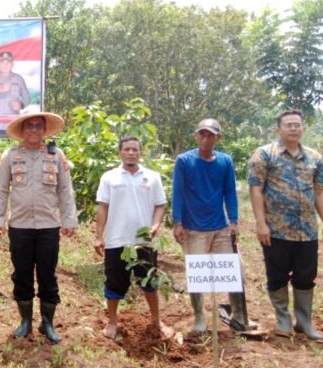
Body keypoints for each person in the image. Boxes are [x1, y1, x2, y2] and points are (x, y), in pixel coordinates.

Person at [0, 112, 77, 343]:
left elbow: (65, 190)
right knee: (22, 274)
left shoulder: (56, 155)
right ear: (22, 130)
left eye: (38, 126)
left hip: (49, 226)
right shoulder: (10, 156)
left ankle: (47, 323)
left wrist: (69, 220)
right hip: (20, 226)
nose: (34, 130)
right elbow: (0, 190)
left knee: (48, 275)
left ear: (44, 130)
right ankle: (25, 321)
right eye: (29, 126)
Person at [249, 109, 323, 341]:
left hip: (307, 231)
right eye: (288, 124)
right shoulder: (264, 155)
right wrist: (261, 224)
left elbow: (319, 192)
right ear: (277, 129)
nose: (293, 128)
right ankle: (282, 319)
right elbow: (256, 189)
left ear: (303, 128)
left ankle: (304, 322)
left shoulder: (315, 158)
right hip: (276, 231)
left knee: (305, 276)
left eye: (297, 124)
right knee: (277, 275)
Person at [94, 136, 174, 340]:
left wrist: (155, 225)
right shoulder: (109, 177)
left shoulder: (152, 177)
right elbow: (102, 207)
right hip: (116, 240)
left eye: (135, 150)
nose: (131, 153)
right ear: (120, 152)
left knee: (150, 282)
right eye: (127, 149)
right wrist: (98, 236)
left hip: (144, 242)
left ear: (141, 153)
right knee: (114, 284)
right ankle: (112, 322)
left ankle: (156, 321)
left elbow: (160, 205)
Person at [172, 118, 244, 333]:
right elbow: (178, 192)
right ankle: (199, 316)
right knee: (197, 274)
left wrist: (234, 221)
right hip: (193, 227)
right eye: (202, 134)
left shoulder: (225, 161)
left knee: (233, 270)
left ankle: (239, 313)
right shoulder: (184, 161)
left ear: (218, 138)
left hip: (220, 226)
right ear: (196, 136)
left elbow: (230, 191)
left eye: (210, 135)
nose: (205, 138)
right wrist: (177, 222)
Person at [0, 51, 30, 137]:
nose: (5, 65)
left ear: (12, 64)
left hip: (13, 124)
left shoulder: (19, 79)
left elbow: (27, 98)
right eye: (2, 62)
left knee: (14, 149)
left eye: (8, 62)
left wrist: (21, 104)